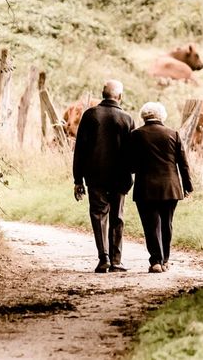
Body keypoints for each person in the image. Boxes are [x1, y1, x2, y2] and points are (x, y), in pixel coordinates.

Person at [73, 79, 135, 273]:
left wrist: (78, 179)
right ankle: (116, 261)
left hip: (95, 175)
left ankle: (104, 258)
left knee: (99, 215)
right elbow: (132, 152)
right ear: (120, 97)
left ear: (102, 93)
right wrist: (131, 173)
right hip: (120, 177)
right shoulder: (127, 119)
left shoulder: (90, 115)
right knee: (117, 217)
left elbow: (80, 150)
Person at [130, 102, 193, 273]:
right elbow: (183, 164)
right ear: (161, 116)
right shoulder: (173, 134)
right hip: (170, 187)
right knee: (167, 223)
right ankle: (165, 260)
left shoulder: (136, 135)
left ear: (144, 116)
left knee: (151, 225)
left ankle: (156, 261)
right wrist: (187, 186)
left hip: (145, 188)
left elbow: (131, 165)